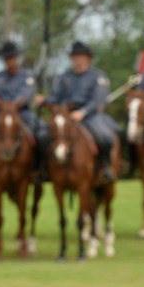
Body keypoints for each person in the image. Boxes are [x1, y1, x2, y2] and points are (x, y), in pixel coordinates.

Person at [40, 40, 119, 182]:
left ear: (88, 58)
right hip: (65, 116)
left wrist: (83, 112)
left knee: (105, 137)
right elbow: (56, 96)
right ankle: (42, 168)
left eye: (80, 56)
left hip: (90, 115)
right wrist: (44, 100)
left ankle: (106, 167)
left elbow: (99, 100)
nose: (76, 59)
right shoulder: (64, 77)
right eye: (74, 56)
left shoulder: (98, 76)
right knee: (43, 136)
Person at [0, 41, 49, 183]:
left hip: (22, 113)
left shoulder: (27, 77)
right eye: (7, 58)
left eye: (12, 57)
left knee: (44, 134)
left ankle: (39, 168)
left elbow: (25, 95)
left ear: (17, 57)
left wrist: (9, 105)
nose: (10, 61)